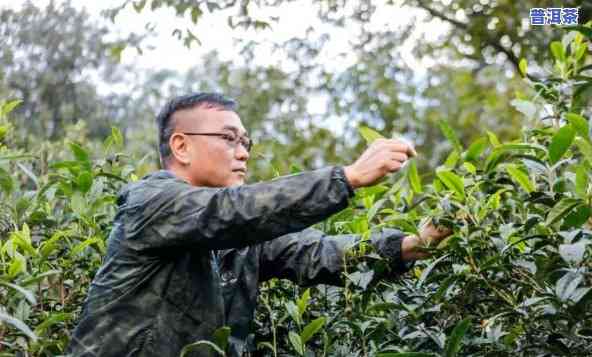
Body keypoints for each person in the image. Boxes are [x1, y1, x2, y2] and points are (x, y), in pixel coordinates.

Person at [67, 93, 451, 356]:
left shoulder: (240, 237)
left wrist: (412, 245)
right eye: (229, 138)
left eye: (246, 141)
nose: (244, 151)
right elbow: (234, 211)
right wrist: (346, 178)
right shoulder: (151, 202)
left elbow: (315, 253)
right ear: (181, 146)